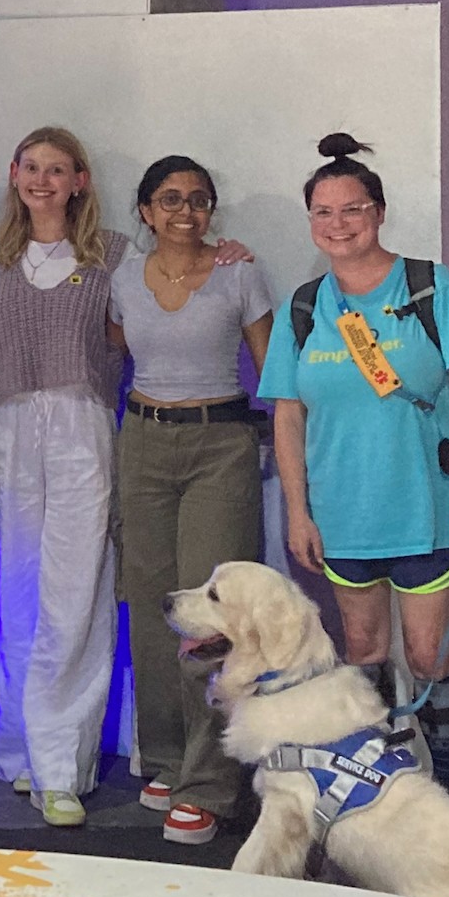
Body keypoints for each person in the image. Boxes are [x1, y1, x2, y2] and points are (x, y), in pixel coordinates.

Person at [258, 133, 449, 793]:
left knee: (425, 653)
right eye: (324, 213)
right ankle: (381, 790)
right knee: (362, 653)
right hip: (343, 512)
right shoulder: (303, 309)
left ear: (380, 211)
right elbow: (287, 414)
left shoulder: (431, 288)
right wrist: (296, 511)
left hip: (424, 505)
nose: (339, 224)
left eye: (353, 209)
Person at [109, 154, 275, 845]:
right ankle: (168, 757)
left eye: (199, 199)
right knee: (149, 607)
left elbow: (274, 369)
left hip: (219, 443)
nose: (186, 210)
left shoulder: (239, 270)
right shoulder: (120, 275)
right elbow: (114, 353)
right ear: (145, 210)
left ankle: (208, 783)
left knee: (211, 613)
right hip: (142, 440)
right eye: (170, 198)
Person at [0, 127, 127, 828]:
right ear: (15, 174)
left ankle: (62, 765)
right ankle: (19, 749)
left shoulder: (111, 258)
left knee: (75, 594)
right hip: (8, 431)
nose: (41, 179)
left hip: (79, 431)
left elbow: (153, 316)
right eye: (31, 166)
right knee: (14, 588)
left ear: (79, 181)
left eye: (56, 168)